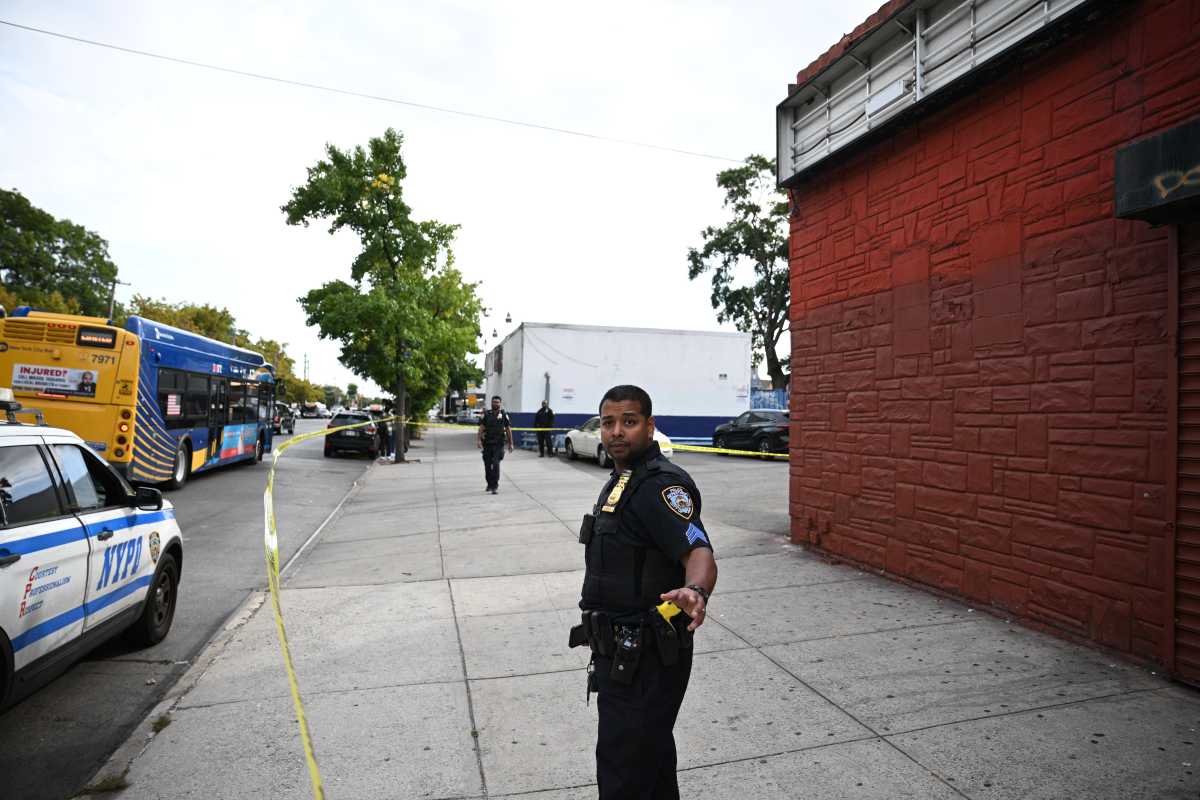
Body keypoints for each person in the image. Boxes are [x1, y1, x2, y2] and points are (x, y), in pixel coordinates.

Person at [568, 385, 717, 799]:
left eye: (629, 422)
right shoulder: (623, 479)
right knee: (648, 767)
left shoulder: (660, 485)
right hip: (622, 655)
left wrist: (696, 591)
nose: (617, 431)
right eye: (608, 423)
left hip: (648, 657)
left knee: (625, 777)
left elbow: (698, 549)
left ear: (650, 427)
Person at [477, 395, 513, 494]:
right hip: (487, 443)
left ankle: (494, 486)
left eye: (497, 402)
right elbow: (481, 428)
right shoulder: (486, 414)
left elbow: (508, 429)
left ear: (500, 403)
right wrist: (479, 440)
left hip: (499, 443)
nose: (495, 404)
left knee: (496, 464)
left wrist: (511, 443)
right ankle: (489, 483)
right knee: (487, 465)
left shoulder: (504, 414)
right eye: (494, 402)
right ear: (491, 403)